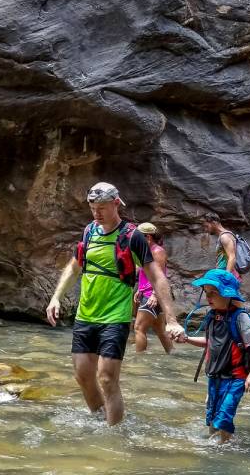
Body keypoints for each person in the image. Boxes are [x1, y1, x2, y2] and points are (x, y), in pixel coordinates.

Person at [45, 182, 183, 426]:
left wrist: (171, 320)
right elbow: (75, 266)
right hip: (85, 316)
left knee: (107, 378)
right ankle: (101, 421)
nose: (97, 213)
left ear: (116, 204)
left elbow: (157, 277)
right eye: (93, 208)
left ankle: (115, 434)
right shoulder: (89, 231)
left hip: (115, 318)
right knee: (83, 376)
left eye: (102, 207)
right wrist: (56, 297)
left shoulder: (133, 236)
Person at [176, 269, 250, 444]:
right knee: (212, 416)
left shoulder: (240, 318)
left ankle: (222, 448)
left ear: (227, 294)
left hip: (235, 378)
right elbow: (209, 342)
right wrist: (188, 339)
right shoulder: (212, 317)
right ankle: (215, 442)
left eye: (214, 293)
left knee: (223, 417)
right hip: (215, 377)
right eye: (207, 292)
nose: (209, 297)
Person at [133, 222, 173, 353]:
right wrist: (139, 289)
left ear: (148, 237)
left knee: (139, 328)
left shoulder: (158, 251)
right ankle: (172, 355)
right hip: (147, 293)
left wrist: (155, 295)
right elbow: (144, 274)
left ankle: (139, 361)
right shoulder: (146, 251)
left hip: (153, 295)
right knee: (160, 329)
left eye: (139, 237)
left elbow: (160, 276)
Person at [202, 212, 239, 278]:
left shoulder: (224, 237)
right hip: (226, 274)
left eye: (206, 226)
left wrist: (226, 277)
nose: (206, 229)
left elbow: (232, 257)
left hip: (227, 275)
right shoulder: (227, 235)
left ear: (214, 223)